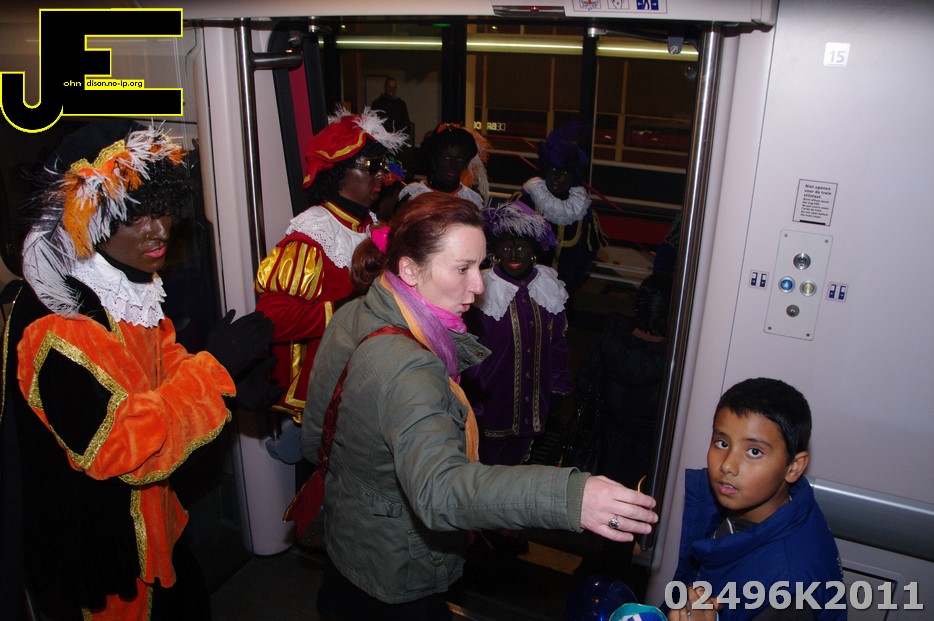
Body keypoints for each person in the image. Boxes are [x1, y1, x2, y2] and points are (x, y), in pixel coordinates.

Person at [301, 192, 658, 621]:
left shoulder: (355, 314)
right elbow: (439, 492)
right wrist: (570, 496)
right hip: (398, 571)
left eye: (480, 265)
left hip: (349, 542)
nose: (479, 285)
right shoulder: (410, 366)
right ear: (409, 269)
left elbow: (314, 437)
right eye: (462, 268)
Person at [0, 120, 276, 621]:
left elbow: (162, 369)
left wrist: (228, 387)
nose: (159, 230)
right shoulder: (58, 322)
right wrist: (215, 373)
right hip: (103, 563)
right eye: (134, 216)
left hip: (158, 531)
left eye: (163, 209)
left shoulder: (129, 284)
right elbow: (124, 450)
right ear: (85, 218)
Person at [255, 106, 408, 427]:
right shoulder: (311, 236)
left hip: (368, 385)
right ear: (339, 172)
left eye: (383, 166)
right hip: (327, 396)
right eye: (372, 166)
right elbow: (272, 320)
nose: (382, 176)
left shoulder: (372, 227)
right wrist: (345, 310)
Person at [665, 378, 845, 621]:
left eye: (754, 452)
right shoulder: (757, 502)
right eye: (722, 443)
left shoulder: (788, 596)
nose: (727, 465)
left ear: (793, 467)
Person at [463, 200, 572, 467]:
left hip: (533, 401)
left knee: (517, 466)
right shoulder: (481, 287)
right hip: (491, 404)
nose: (514, 254)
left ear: (533, 250)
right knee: (483, 467)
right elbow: (470, 351)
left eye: (522, 247)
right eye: (506, 246)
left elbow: (557, 344)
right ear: (495, 249)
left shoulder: (548, 286)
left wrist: (557, 386)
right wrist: (473, 401)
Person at [517, 125, 607, 301]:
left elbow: (587, 253)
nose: (556, 177)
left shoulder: (583, 211)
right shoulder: (525, 201)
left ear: (573, 177)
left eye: (564, 172)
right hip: (526, 291)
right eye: (552, 170)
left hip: (564, 294)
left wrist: (571, 282)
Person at [398, 122, 490, 210]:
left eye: (459, 159)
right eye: (447, 158)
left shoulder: (472, 200)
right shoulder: (414, 194)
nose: (453, 165)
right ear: (434, 158)